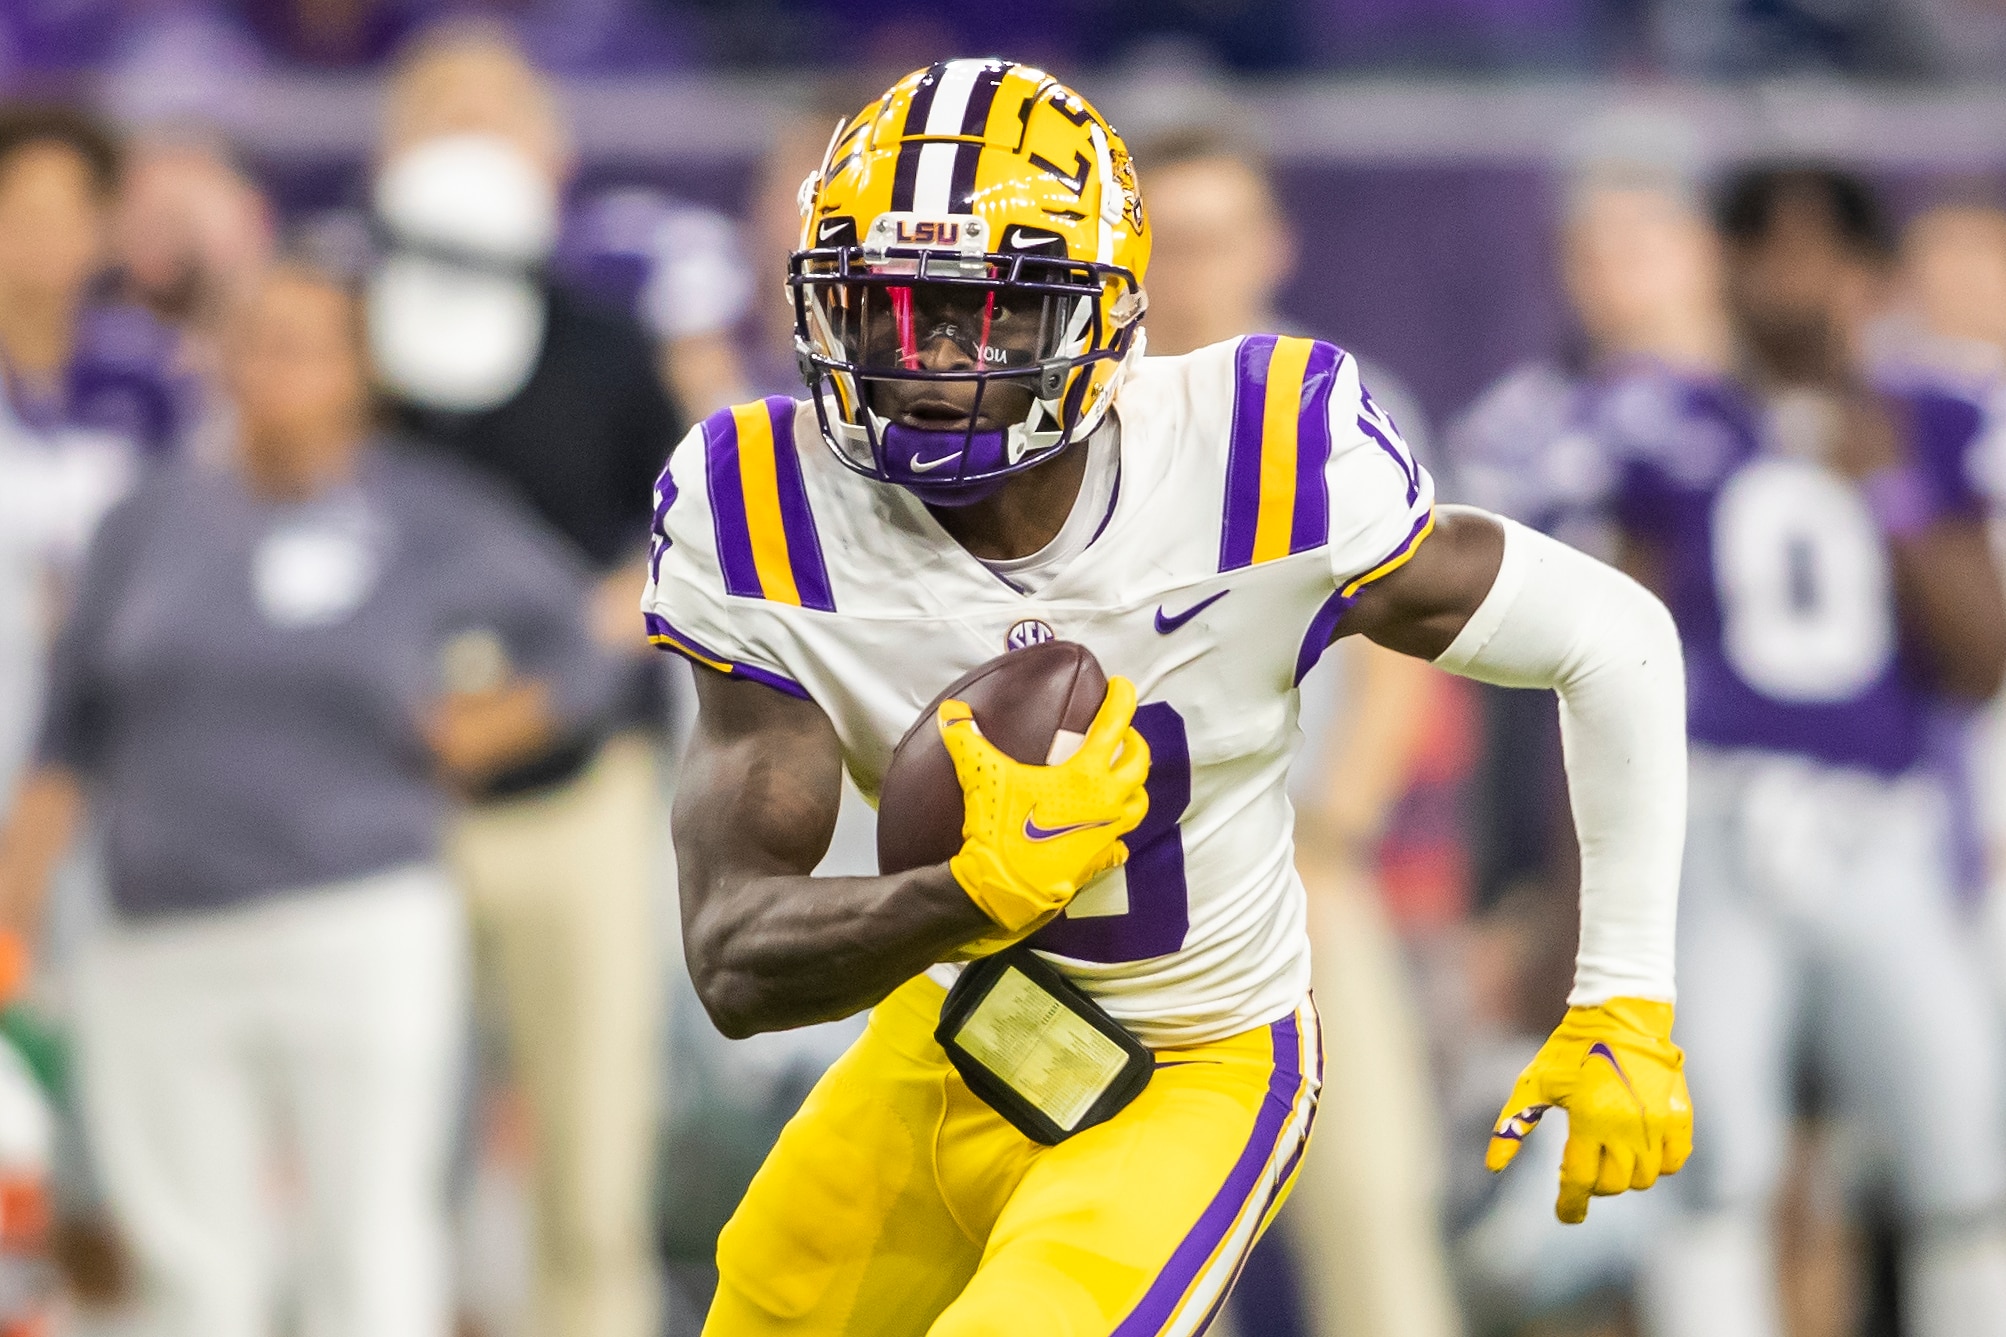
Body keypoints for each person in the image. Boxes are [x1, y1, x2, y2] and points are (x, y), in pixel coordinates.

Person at [646, 61, 1692, 1334]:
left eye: (990, 312)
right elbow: (733, 956)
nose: (928, 361)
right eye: (889, 306)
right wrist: (960, 894)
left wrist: (1624, 990)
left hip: (1194, 1061)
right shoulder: (762, 502)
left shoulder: (1257, 452)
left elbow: (1615, 634)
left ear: (1103, 314)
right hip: (951, 1038)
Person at [0, 256, 619, 1337]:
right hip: (160, 933)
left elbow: (578, 645)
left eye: (305, 344)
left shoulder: (428, 513)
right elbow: (68, 729)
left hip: (359, 917)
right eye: (255, 339)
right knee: (188, 1263)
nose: (274, 366)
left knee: (371, 1243)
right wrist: (15, 903)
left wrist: (486, 727)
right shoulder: (145, 520)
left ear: (360, 370)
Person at [1589, 167, 2006, 1337]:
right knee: (1708, 1161)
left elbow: (1980, 658)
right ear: (1722, 265)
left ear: (1869, 278)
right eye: (1766, 250)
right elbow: (1609, 659)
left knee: (1962, 1161)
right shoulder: (1656, 421)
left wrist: (1891, 490)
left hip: (1883, 825)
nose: (1793, 280)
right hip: (1713, 822)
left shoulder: (1932, 417)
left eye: (1819, 253)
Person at [371, 27, 680, 1337]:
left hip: (575, 796)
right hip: (379, 796)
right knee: (382, 1169)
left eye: (497, 116)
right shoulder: (341, 341)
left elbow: (680, 552)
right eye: (442, 113)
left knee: (591, 1174)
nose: (470, 139)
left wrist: (550, 684)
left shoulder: (608, 347)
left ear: (549, 160)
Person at [1131, 117, 1462, 1337]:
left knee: (1369, 1204)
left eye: (1215, 239)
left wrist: (1333, 832)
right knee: (1140, 1231)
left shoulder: (1336, 408)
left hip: (1291, 859)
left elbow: (1407, 646)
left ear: (1269, 244)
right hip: (1110, 882)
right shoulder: (1074, 418)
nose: (1188, 272)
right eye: (1163, 243)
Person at [0, 104, 191, 800]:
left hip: (107, 697)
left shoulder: (149, 375)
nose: (41, 241)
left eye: (67, 215)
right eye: (20, 214)